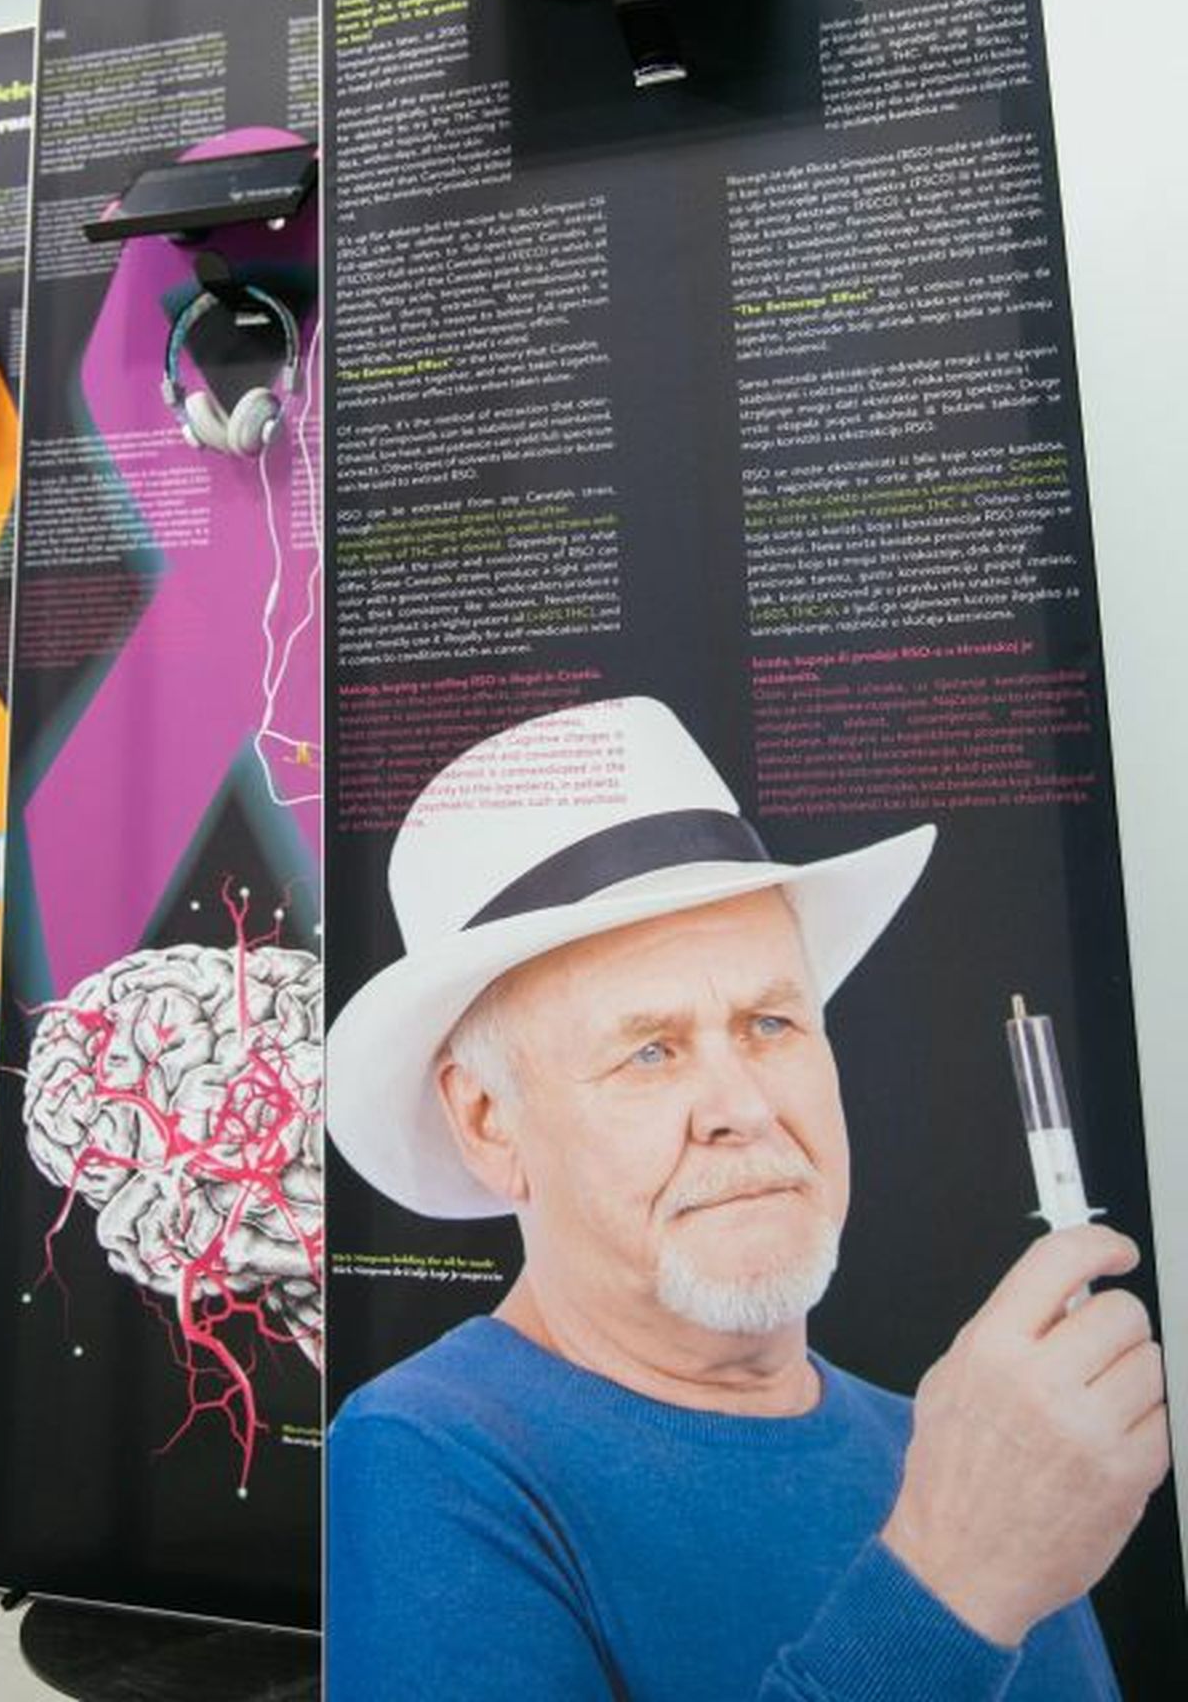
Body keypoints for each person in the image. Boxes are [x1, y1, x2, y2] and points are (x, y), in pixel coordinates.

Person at [325, 697, 1170, 1700]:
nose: (744, 1108)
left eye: (772, 1024)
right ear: (487, 1123)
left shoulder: (966, 1454)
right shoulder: (425, 1459)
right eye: (650, 1050)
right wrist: (951, 1584)